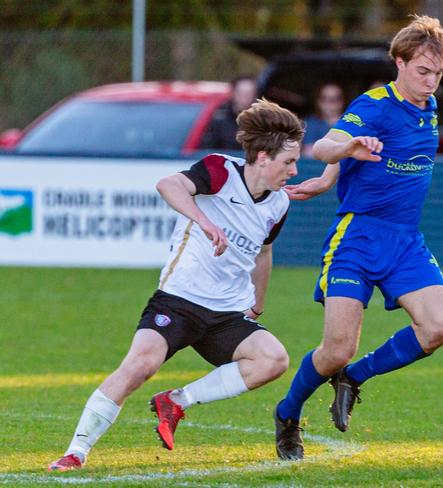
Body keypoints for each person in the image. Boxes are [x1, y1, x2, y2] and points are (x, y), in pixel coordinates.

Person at [48, 99, 305, 472]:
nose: (294, 170)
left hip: (227, 312)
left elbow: (264, 253)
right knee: (139, 365)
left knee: (273, 359)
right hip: (179, 301)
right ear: (263, 157)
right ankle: (76, 451)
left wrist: (258, 303)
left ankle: (177, 401)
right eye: (288, 162)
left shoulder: (278, 204)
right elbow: (168, 184)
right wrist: (204, 222)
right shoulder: (220, 170)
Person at [274, 15, 443, 460]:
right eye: (422, 71)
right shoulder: (375, 104)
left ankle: (354, 378)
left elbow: (350, 158)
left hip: (405, 240)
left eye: (437, 73)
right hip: (357, 237)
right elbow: (326, 145)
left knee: (442, 325)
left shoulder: (427, 107)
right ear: (399, 61)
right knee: (336, 348)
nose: (431, 81)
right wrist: (343, 153)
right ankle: (288, 413)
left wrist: (328, 179)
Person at [201, 76, 258, 150]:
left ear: (255, 95)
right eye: (241, 92)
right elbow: (208, 149)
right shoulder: (219, 120)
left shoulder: (261, 122)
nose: (244, 97)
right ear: (233, 93)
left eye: (248, 93)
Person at [302, 83, 345, 158]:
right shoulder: (310, 124)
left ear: (342, 101)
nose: (329, 103)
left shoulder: (352, 123)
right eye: (324, 98)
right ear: (318, 101)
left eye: (335, 99)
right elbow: (308, 153)